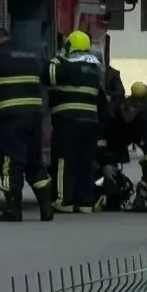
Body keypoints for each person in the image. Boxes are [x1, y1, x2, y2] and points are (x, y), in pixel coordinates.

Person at [0, 27, 54, 223]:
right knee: (35, 162)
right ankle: (46, 208)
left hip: (11, 118)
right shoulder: (30, 55)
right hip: (34, 116)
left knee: (11, 161)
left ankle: (13, 209)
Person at [45, 29, 105, 214]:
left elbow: (49, 75)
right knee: (85, 162)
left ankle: (64, 201)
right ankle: (85, 203)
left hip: (69, 121)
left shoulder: (66, 65)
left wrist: (56, 57)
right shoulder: (95, 68)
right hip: (90, 123)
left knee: (64, 161)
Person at [96, 82, 147, 213]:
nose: (129, 113)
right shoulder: (110, 115)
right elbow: (100, 142)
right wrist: (105, 164)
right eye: (126, 109)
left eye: (135, 109)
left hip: (137, 136)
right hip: (115, 139)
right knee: (105, 165)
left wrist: (144, 188)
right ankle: (111, 197)